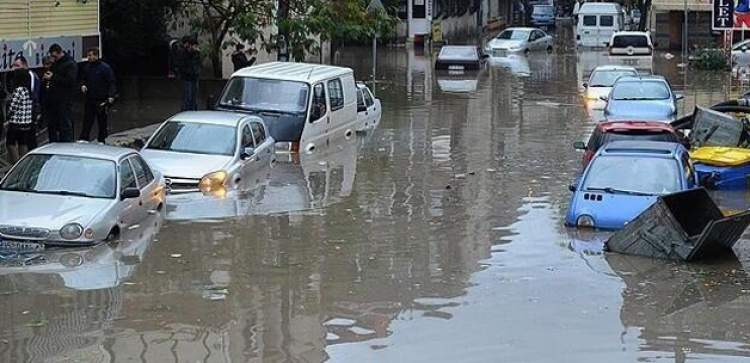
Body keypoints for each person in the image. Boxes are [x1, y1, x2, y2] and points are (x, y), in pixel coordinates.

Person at [79, 47, 116, 143]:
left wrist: (111, 95)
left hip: (101, 99)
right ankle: (84, 137)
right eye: (88, 55)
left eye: (91, 55)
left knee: (102, 121)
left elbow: (111, 82)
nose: (89, 57)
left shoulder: (105, 68)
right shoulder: (87, 67)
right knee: (87, 119)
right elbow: (83, 79)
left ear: (96, 55)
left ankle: (102, 139)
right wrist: (83, 85)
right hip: (90, 98)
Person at [45, 43, 78, 142]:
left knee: (65, 124)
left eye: (54, 56)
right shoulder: (56, 63)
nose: (53, 58)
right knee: (53, 125)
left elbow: (70, 81)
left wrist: (53, 77)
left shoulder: (70, 64)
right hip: (54, 100)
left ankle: (67, 143)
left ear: (60, 53)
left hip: (64, 99)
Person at [5, 69, 34, 163]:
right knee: (23, 143)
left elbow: (13, 107)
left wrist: (8, 115)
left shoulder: (18, 90)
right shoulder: (29, 90)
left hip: (16, 122)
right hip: (26, 122)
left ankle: (16, 162)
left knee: (10, 143)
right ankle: (23, 162)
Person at [12, 55, 42, 149]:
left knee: (29, 138)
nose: (14, 68)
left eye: (17, 65)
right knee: (23, 140)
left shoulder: (30, 75)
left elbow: (33, 93)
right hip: (25, 113)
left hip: (29, 111)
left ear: (24, 65)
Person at [178, 37, 201, 111]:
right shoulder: (184, 53)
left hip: (194, 77)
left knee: (194, 97)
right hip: (187, 78)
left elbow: (198, 64)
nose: (196, 48)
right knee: (188, 97)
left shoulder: (196, 54)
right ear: (190, 46)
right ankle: (186, 111)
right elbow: (183, 66)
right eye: (195, 46)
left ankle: (193, 110)